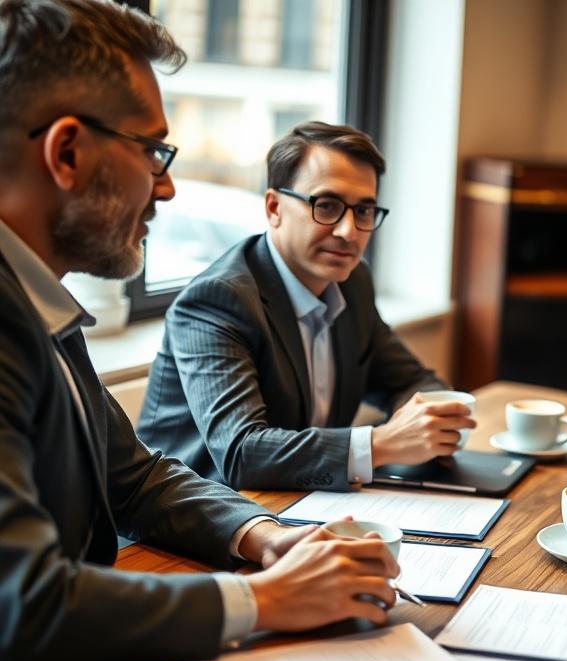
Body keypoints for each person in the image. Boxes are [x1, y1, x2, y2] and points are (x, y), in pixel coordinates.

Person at [0, 0, 399, 661]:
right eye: (153, 151)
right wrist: (265, 600)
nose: (168, 186)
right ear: (66, 152)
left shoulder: (37, 305)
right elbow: (23, 606)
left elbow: (138, 478)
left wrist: (269, 538)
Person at [137, 122, 471, 491]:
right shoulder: (219, 300)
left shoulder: (353, 282)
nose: (348, 232)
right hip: (194, 521)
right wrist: (384, 444)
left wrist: (428, 424)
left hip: (302, 506)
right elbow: (241, 453)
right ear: (274, 206)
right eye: (326, 205)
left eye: (364, 211)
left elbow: (411, 380)